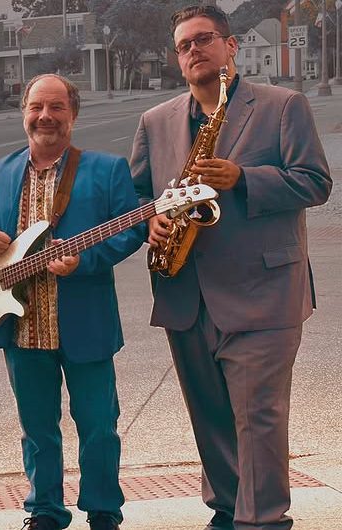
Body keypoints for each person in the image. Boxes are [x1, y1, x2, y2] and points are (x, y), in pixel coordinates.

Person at [130, 6, 332, 530]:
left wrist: (242, 177)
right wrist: (150, 219)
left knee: (258, 421)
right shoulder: (155, 122)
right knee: (211, 420)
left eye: (204, 39)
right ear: (177, 59)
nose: (194, 50)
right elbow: (137, 197)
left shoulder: (283, 105)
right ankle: (226, 512)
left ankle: (262, 522)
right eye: (184, 45)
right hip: (185, 293)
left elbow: (315, 182)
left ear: (231, 45)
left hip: (264, 292)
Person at [0, 74, 145, 530]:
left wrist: (84, 260)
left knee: (98, 427)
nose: (45, 116)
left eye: (56, 107)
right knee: (37, 430)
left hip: (85, 323)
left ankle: (103, 511)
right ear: (24, 113)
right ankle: (44, 511)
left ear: (73, 115)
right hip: (21, 326)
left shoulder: (106, 169)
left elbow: (132, 230)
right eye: (36, 107)